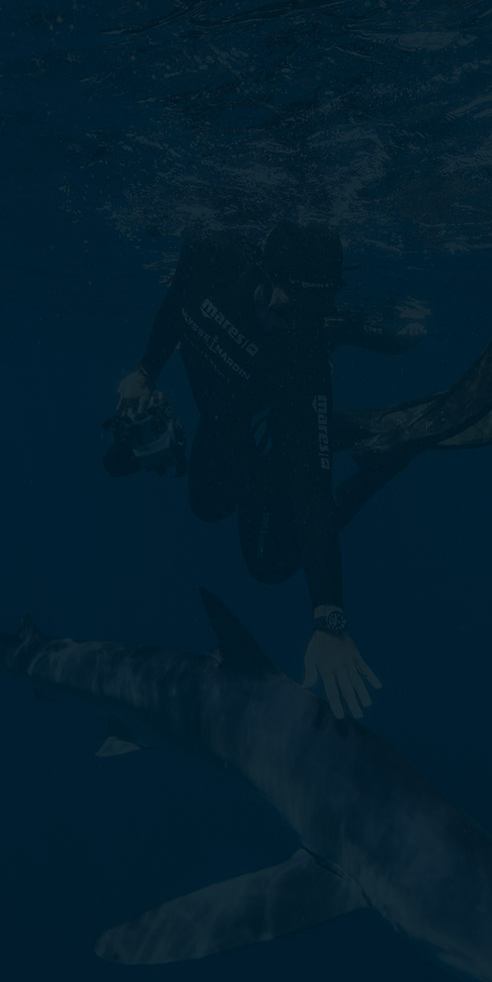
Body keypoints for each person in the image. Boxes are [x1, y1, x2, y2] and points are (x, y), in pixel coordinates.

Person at [113, 221, 382, 720]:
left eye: (316, 313)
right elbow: (176, 302)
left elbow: (313, 494)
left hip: (274, 413)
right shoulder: (211, 254)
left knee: (269, 565)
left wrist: (329, 617)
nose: (298, 323)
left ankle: (380, 455)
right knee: (207, 505)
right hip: (228, 418)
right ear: (264, 276)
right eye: (293, 308)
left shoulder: (304, 356)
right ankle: (330, 423)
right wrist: (147, 371)